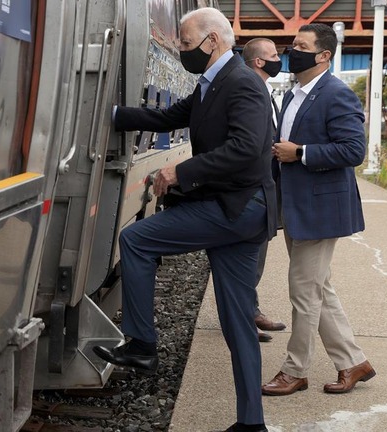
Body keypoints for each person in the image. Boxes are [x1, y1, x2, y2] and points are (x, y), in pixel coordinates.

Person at [92, 7, 276, 432]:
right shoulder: (211, 84)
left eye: (187, 45)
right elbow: (167, 117)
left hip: (239, 208)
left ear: (213, 41)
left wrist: (180, 171)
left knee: (137, 240)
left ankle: (141, 344)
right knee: (236, 321)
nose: (182, 52)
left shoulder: (243, 84)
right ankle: (252, 423)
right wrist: (113, 115)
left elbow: (247, 149)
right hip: (238, 210)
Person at [262, 23, 375, 396]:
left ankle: (295, 371)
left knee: (303, 292)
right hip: (296, 206)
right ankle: (353, 362)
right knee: (319, 290)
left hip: (321, 211)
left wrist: (301, 153)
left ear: (324, 55)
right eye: (293, 44)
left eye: (301, 45)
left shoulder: (336, 94)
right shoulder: (293, 94)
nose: (292, 50)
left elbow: (353, 150)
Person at [242, 38, 288, 343]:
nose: (278, 60)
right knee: (246, 256)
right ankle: (242, 318)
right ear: (259, 62)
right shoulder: (249, 89)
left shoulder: (266, 90)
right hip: (250, 190)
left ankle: (251, 309)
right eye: (273, 56)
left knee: (257, 255)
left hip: (267, 187)